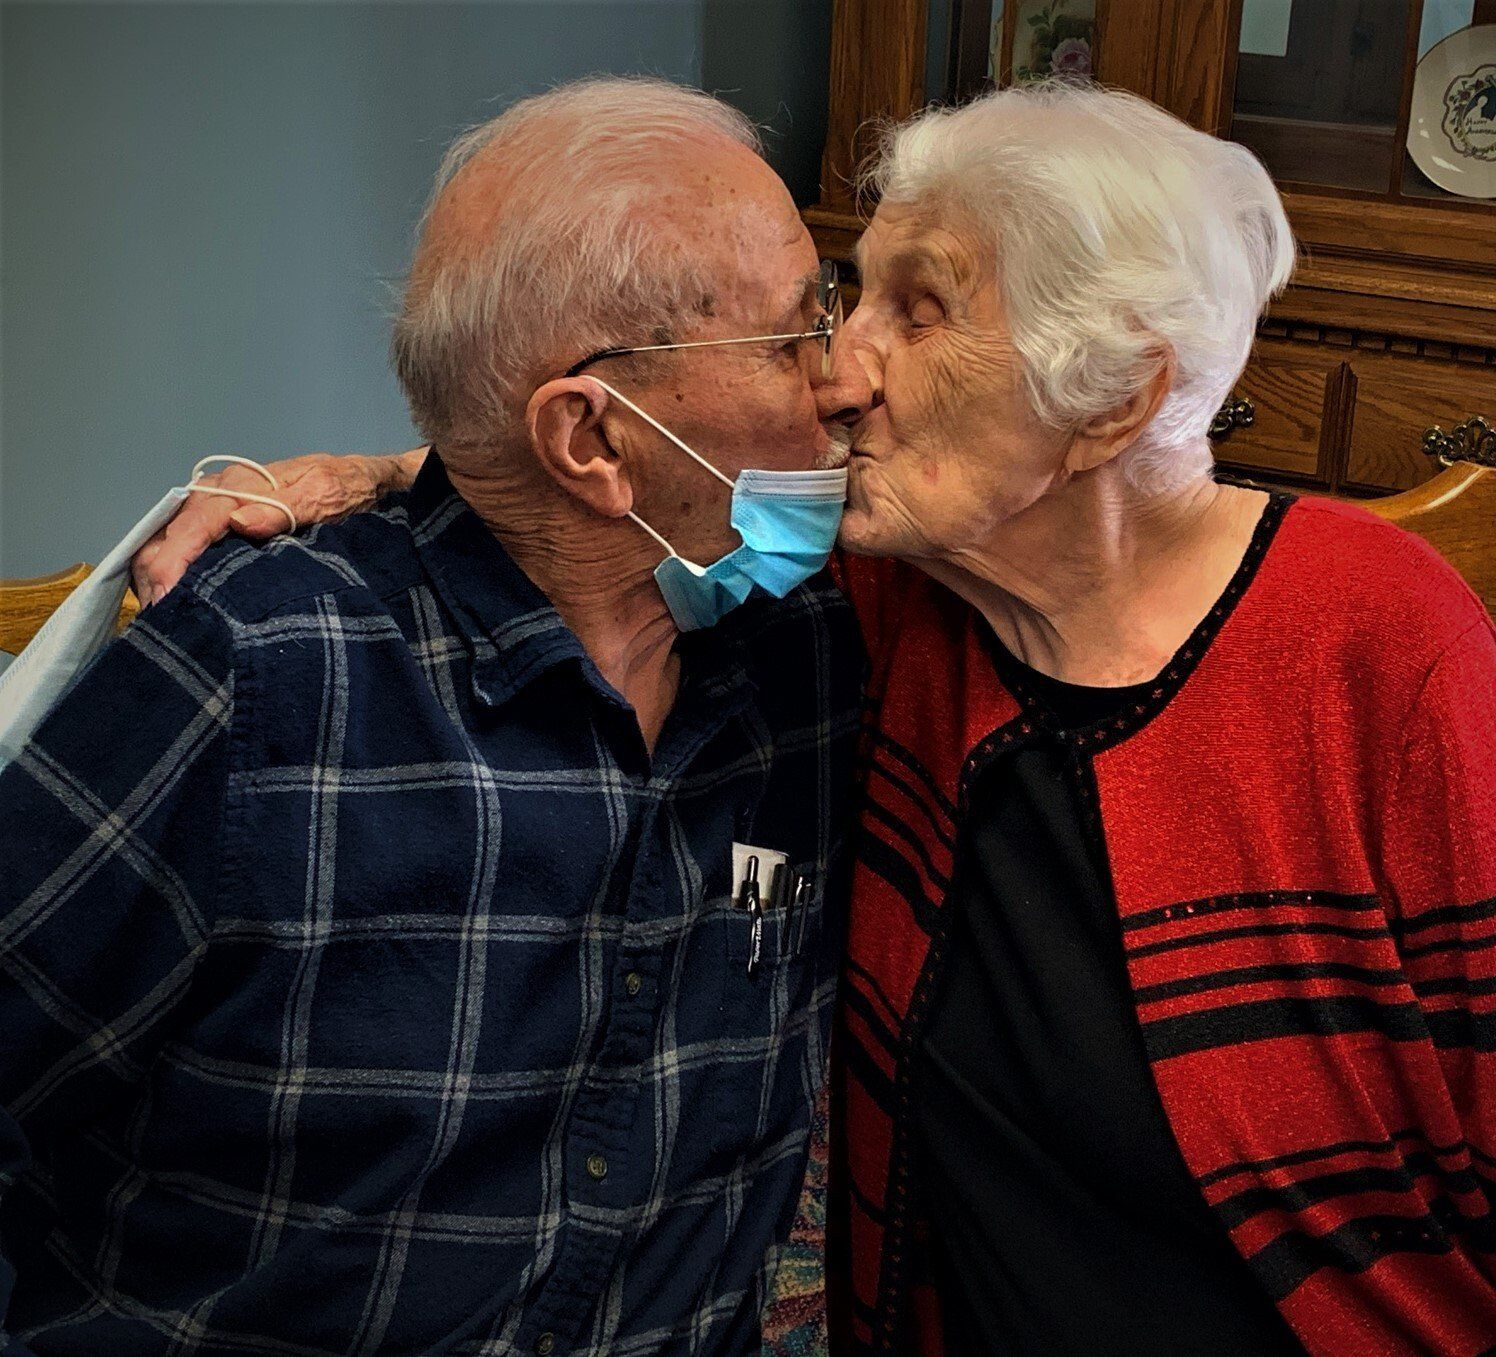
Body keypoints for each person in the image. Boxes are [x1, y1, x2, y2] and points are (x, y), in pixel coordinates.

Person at [121, 83, 1496, 1356]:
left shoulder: (1371, 643)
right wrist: (356, 477)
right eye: (846, 292)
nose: (837, 372)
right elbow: (592, 467)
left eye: (916, 314)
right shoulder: (880, 598)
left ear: (1112, 398)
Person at [0, 76, 873, 1357]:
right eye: (797, 334)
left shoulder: (808, 647)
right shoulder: (264, 673)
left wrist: (387, 466)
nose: (844, 378)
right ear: (595, 441)